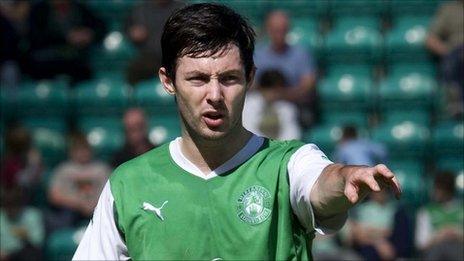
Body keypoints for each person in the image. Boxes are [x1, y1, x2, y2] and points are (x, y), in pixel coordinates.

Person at [73, 4, 401, 260]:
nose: (215, 95)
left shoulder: (288, 164)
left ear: (250, 78)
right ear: (168, 81)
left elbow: (320, 185)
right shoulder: (128, 184)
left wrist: (345, 178)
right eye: (198, 79)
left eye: (229, 78)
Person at [254, 10, 317, 126]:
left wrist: (281, 95)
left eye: (282, 30)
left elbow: (308, 86)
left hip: (293, 105)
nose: (279, 34)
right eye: (275, 30)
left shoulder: (301, 54)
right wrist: (266, 93)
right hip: (262, 104)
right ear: (268, 30)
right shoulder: (258, 55)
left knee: (287, 112)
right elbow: (250, 84)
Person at [26, 0, 106, 83]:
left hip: (74, 61)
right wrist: (66, 38)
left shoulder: (79, 8)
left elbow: (101, 27)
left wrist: (89, 34)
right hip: (46, 62)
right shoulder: (39, 10)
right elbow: (35, 38)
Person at [47, 132, 110, 232]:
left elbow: (109, 195)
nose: (82, 153)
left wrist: (92, 206)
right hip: (70, 211)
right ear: (71, 152)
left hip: (97, 210)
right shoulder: (63, 169)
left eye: (85, 149)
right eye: (78, 150)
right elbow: (54, 196)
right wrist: (78, 205)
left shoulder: (101, 169)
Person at [125, 0, 185, 85]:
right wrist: (134, 33)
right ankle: (132, 96)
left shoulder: (180, 8)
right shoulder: (141, 10)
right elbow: (129, 30)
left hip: (173, 57)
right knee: (134, 70)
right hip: (150, 58)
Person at [426, 0, 463, 117]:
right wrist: (448, 52)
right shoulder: (449, 10)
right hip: (457, 52)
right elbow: (430, 39)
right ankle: (455, 103)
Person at [415, 171, 463, 260]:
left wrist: (456, 234)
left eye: (438, 189)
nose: (434, 191)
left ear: (448, 190)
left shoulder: (461, 209)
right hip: (435, 253)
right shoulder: (426, 211)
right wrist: (440, 235)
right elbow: (421, 244)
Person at [242, 69, 302, 140]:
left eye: (278, 91)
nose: (275, 94)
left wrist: (281, 147)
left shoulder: (288, 108)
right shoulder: (247, 105)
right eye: (272, 90)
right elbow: (249, 130)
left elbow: (293, 133)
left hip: (281, 147)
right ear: (261, 88)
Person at [0, 187, 44, 261]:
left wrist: (26, 236)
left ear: (21, 203)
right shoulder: (1, 216)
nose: (11, 208)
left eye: (14, 204)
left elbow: (38, 242)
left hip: (23, 253)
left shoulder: (32, 215)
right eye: (8, 204)